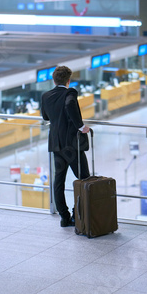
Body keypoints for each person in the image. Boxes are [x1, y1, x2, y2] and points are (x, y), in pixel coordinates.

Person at [41, 66, 91, 227]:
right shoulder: (70, 93)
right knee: (84, 179)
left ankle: (64, 217)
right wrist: (80, 126)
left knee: (58, 182)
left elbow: (45, 116)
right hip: (72, 145)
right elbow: (70, 105)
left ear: (54, 80)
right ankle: (78, 215)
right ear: (68, 81)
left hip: (56, 144)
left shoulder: (46, 95)